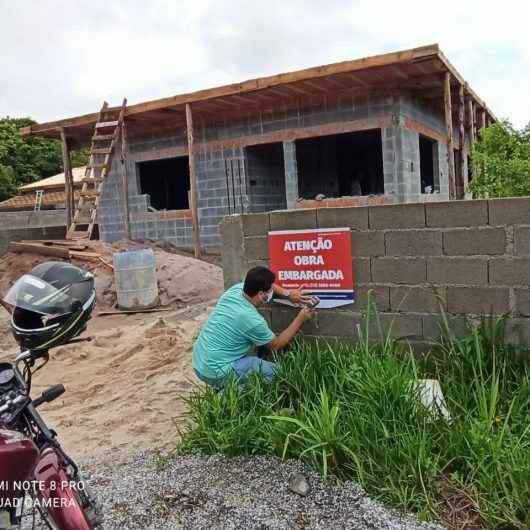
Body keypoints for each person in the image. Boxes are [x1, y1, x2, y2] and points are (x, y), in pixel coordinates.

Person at [192, 266, 314, 388]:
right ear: (261, 294)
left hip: (199, 362)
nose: (272, 290)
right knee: (277, 374)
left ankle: (228, 386)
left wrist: (288, 294)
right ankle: (230, 392)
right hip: (215, 372)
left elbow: (267, 286)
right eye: (270, 289)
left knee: (249, 355)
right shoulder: (252, 320)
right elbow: (276, 345)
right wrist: (300, 318)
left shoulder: (235, 291)